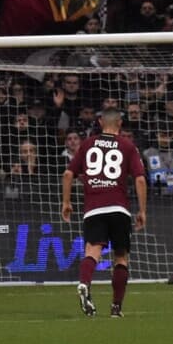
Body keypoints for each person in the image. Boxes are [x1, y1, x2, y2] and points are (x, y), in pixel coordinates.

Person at [61, 106, 147, 318]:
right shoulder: (128, 146)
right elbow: (140, 179)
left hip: (93, 209)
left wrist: (66, 202)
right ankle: (116, 307)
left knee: (92, 252)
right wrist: (142, 210)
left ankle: (84, 283)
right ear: (120, 123)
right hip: (119, 208)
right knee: (121, 258)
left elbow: (67, 174)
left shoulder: (87, 145)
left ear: (100, 123)